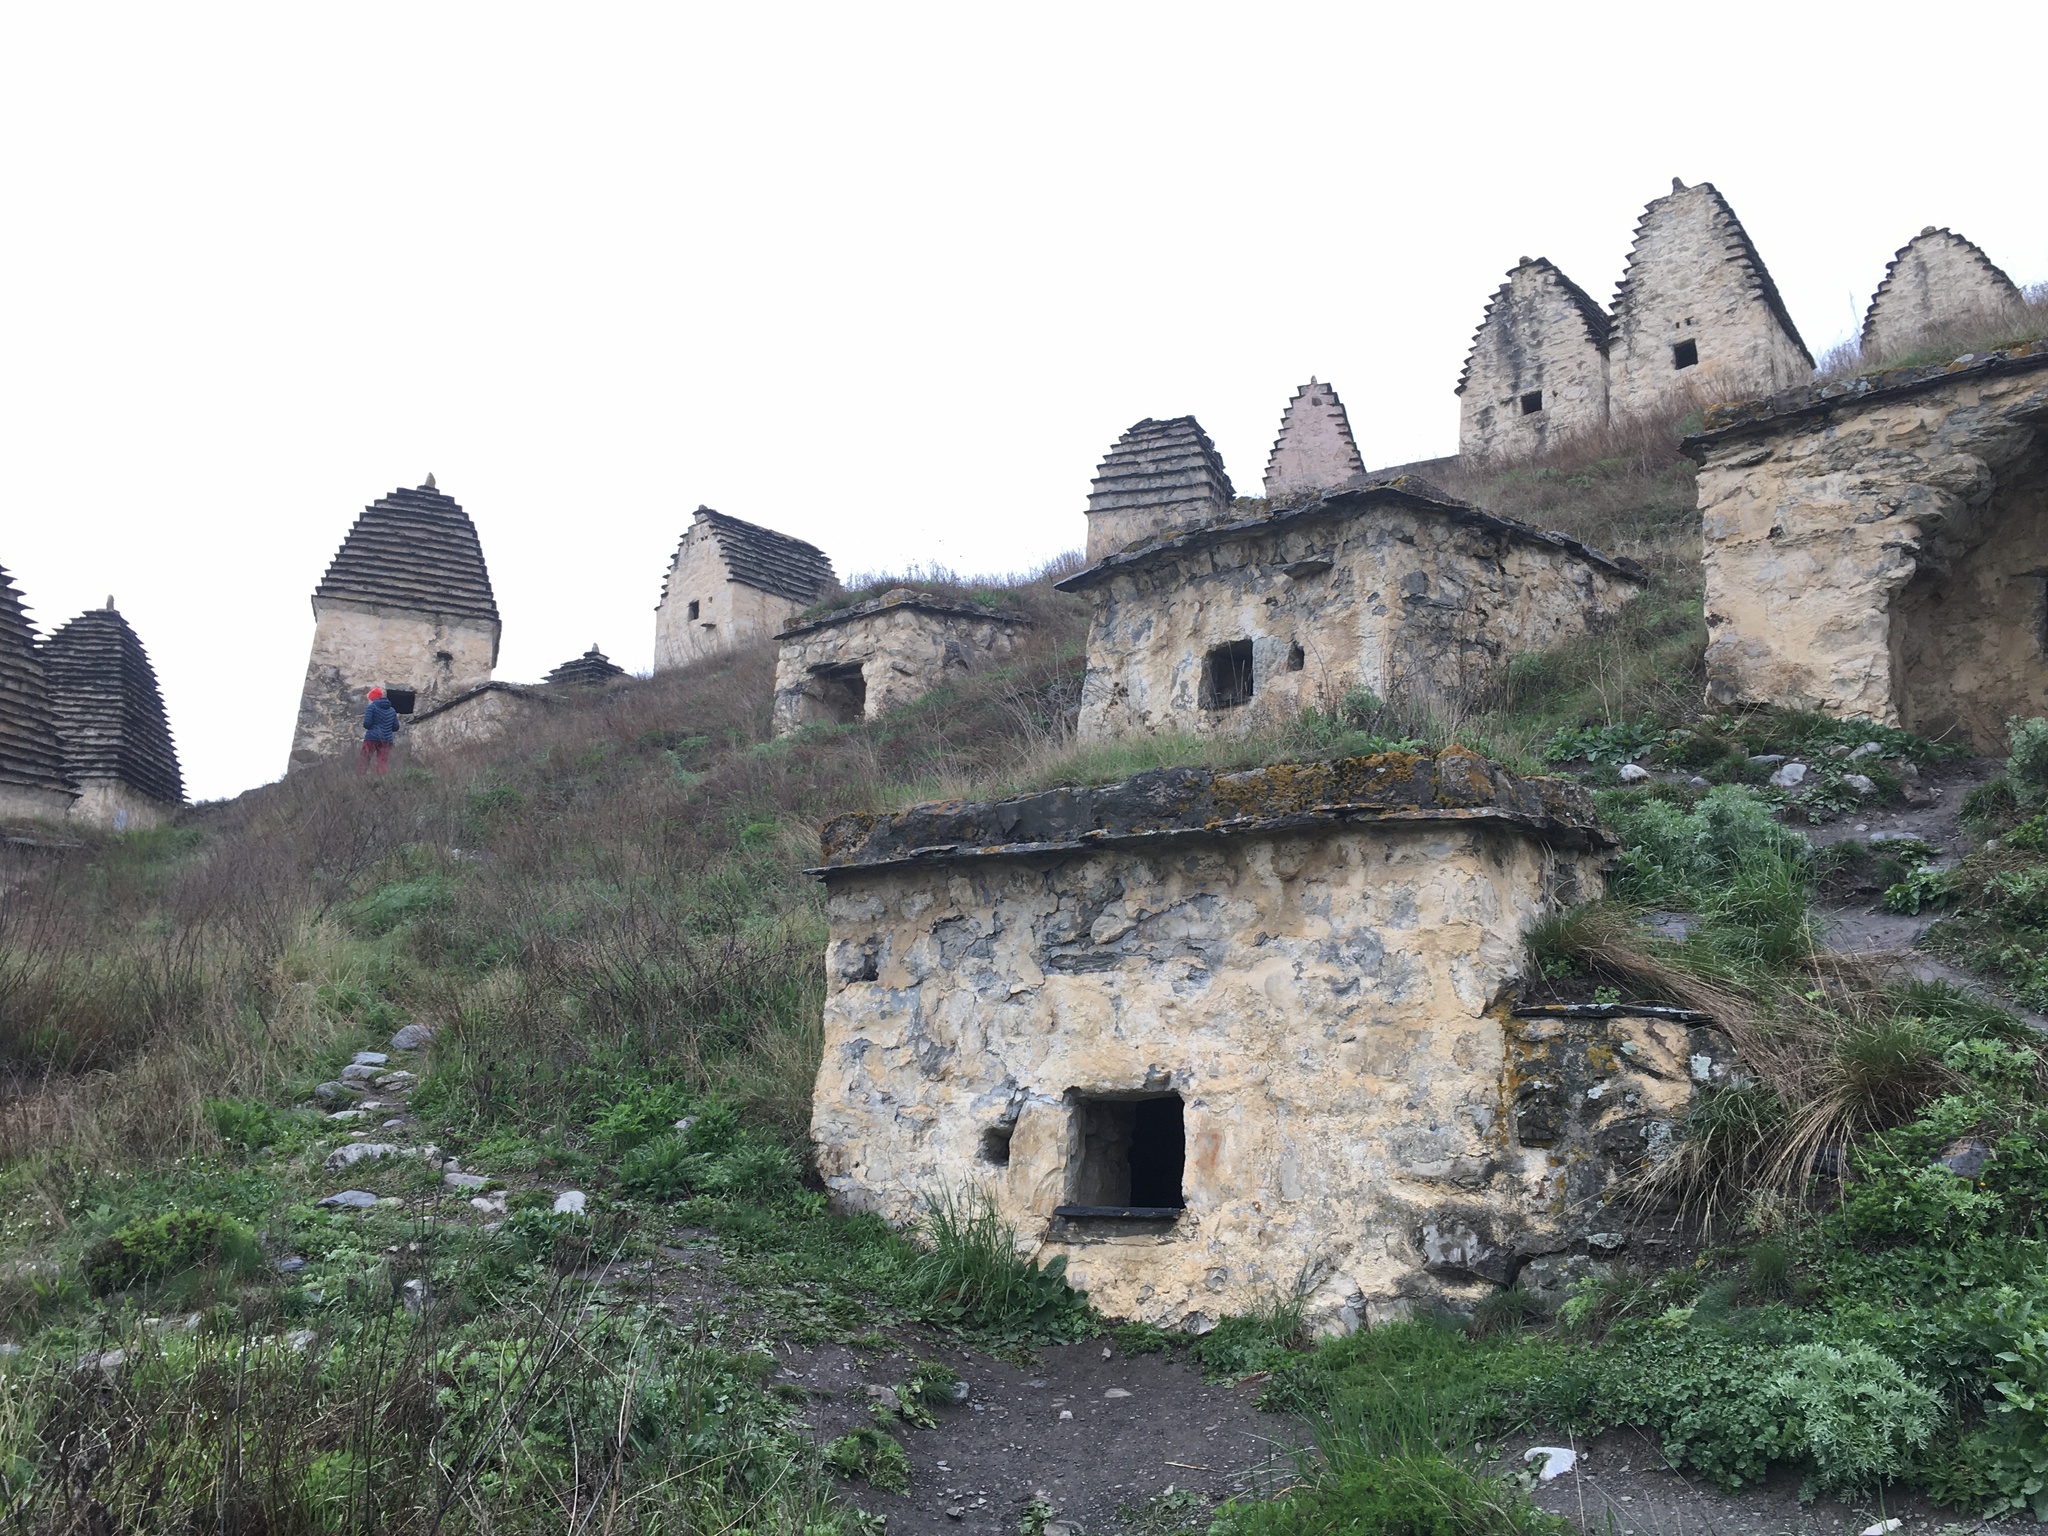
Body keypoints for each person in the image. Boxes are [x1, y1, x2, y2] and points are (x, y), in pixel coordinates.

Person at [359, 686, 399, 774]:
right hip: (387, 739)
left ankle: (360, 779)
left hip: (371, 738)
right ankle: (382, 782)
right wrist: (387, 727)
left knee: (364, 759)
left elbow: (367, 724)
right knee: (382, 762)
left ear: (373, 698)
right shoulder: (392, 710)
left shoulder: (371, 707)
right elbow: (396, 727)